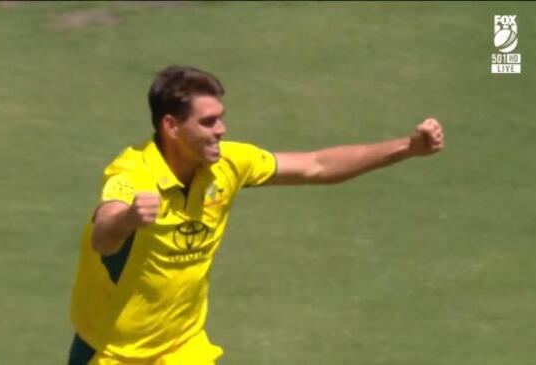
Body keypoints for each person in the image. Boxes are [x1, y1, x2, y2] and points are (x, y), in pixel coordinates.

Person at [68, 65, 444, 365]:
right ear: (171, 126)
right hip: (112, 351)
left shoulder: (230, 163)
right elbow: (104, 235)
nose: (222, 130)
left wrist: (407, 148)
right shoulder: (133, 172)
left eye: (221, 118)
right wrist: (130, 218)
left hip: (180, 347)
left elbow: (316, 165)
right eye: (208, 121)